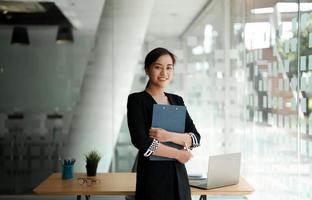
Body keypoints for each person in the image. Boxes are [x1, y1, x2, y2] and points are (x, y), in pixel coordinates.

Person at [127, 47, 201, 200]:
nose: (164, 73)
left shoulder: (177, 101)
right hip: (152, 179)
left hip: (178, 178)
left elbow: (195, 138)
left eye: (169, 68)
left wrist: (168, 136)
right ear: (147, 70)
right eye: (158, 67)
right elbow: (141, 141)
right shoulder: (137, 100)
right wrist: (179, 154)